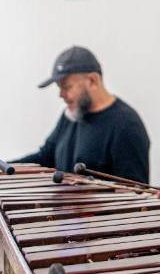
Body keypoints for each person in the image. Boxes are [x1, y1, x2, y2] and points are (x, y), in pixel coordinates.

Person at [12, 46, 150, 182]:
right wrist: (1, 169)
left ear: (92, 81)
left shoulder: (126, 126)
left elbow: (137, 194)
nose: (61, 95)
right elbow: (45, 157)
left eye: (66, 87)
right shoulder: (72, 114)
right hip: (63, 204)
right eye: (59, 88)